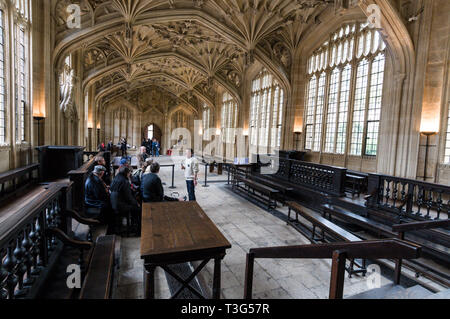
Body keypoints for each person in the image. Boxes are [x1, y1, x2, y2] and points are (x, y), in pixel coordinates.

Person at [110, 166, 141, 234]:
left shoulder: (116, 178)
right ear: (126, 173)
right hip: (120, 206)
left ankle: (133, 226)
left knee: (134, 205)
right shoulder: (124, 181)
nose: (130, 174)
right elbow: (128, 197)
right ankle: (136, 229)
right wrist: (136, 203)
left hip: (113, 203)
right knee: (138, 209)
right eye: (129, 173)